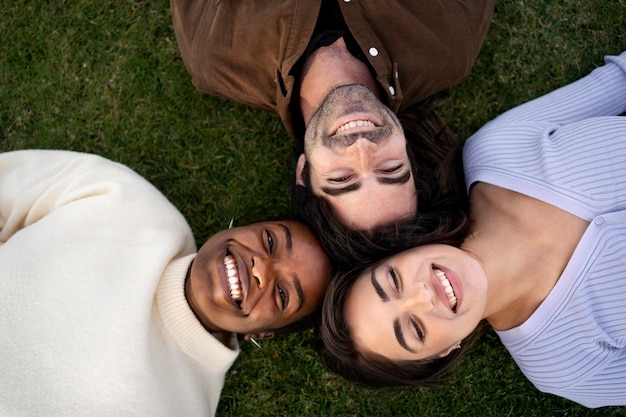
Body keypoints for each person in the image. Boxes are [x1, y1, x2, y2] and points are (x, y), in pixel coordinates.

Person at [319, 50, 626, 408]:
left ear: (402, 250)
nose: (423, 296)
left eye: (394, 281)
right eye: (415, 329)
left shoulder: (495, 151)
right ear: (444, 353)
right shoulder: (567, 368)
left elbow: (618, 81)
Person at [0, 150, 332, 417]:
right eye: (271, 242)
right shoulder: (122, 197)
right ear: (247, 225)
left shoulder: (183, 407)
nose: (262, 270)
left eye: (282, 294)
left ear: (262, 333)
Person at [170, 0, 494, 231]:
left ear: (303, 174)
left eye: (342, 178)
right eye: (391, 167)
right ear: (408, 150)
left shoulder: (215, 58)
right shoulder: (448, 46)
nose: (362, 148)